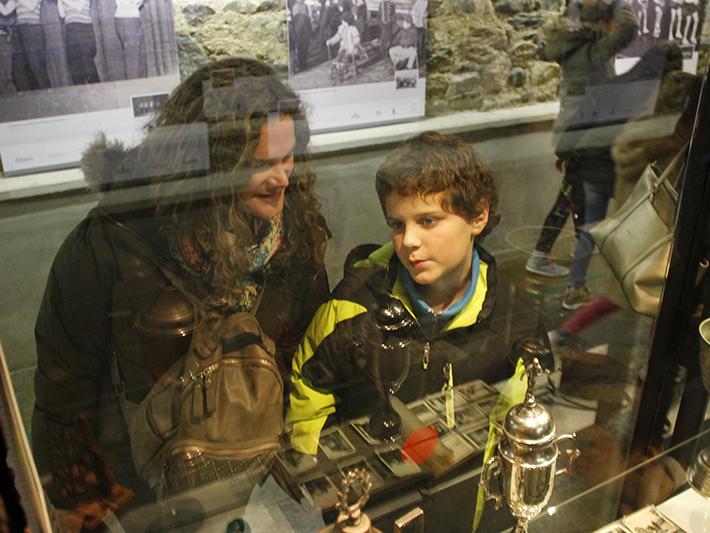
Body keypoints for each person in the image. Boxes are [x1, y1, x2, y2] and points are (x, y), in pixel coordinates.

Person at [31, 57, 330, 526]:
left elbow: (312, 359)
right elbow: (63, 395)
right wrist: (80, 503)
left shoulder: (294, 231)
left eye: (288, 157)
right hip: (145, 497)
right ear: (208, 163)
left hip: (263, 482)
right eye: (259, 163)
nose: (283, 179)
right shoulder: (112, 243)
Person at [287, 131, 512, 454]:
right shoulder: (350, 309)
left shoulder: (507, 313)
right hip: (379, 492)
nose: (408, 241)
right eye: (397, 225)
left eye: (428, 221)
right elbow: (307, 404)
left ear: (478, 216)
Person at [528, 0, 637, 309]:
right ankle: (576, 288)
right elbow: (629, 28)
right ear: (606, 22)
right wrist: (618, 3)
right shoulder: (595, 50)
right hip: (591, 139)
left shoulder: (570, 46)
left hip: (573, 137)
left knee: (570, 199)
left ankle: (539, 255)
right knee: (590, 214)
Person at [10, 0, 50, 90]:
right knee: (19, 66)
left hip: (32, 29)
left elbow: (31, 6)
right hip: (19, 30)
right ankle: (26, 97)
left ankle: (47, 94)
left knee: (36, 64)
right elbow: (6, 10)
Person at [58, 0, 99, 84]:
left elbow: (79, 6)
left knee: (87, 64)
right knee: (74, 64)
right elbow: (62, 15)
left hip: (84, 28)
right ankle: (81, 94)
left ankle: (99, 91)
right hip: (70, 29)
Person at [114, 0, 146, 79]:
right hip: (130, 17)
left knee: (132, 59)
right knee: (134, 61)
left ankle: (133, 85)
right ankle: (135, 87)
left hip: (121, 18)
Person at [292, 0, 312, 72]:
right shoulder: (295, 7)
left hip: (305, 29)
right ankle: (302, 65)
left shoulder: (305, 6)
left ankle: (305, 64)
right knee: (300, 47)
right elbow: (295, 21)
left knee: (305, 47)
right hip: (299, 30)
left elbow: (308, 18)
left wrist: (310, 31)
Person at [410, 0, 426, 66]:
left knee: (422, 42)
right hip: (418, 25)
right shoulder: (418, 2)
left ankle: (422, 59)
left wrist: (424, 16)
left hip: (425, 25)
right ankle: (418, 60)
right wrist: (416, 15)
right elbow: (412, 11)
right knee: (418, 42)